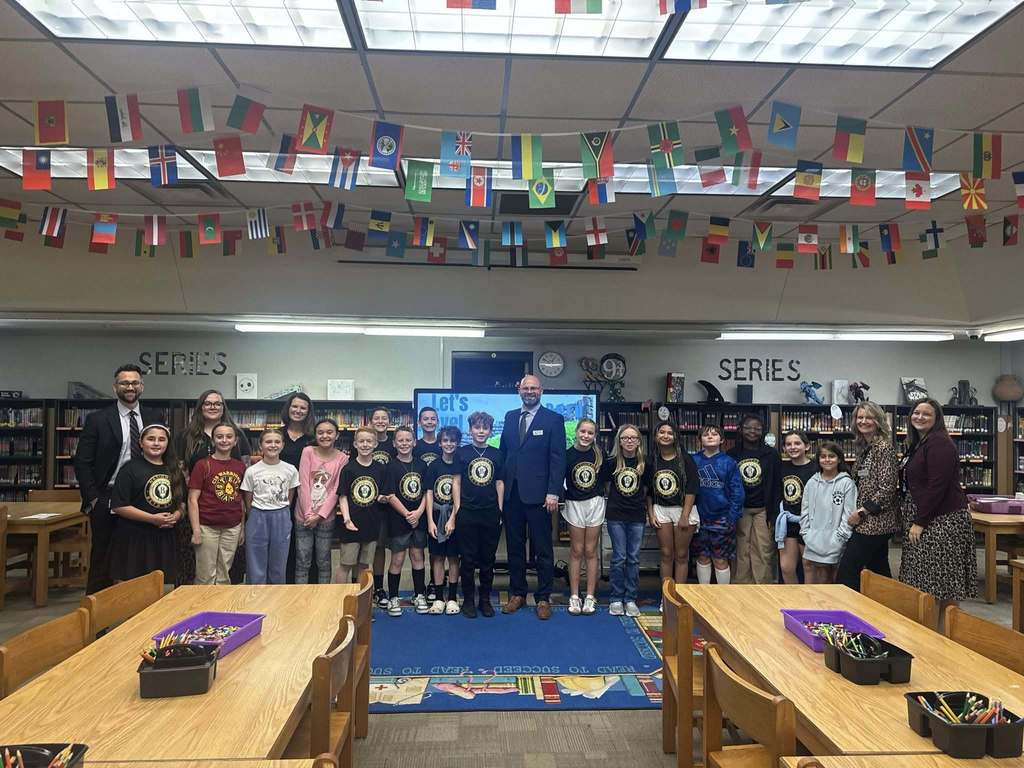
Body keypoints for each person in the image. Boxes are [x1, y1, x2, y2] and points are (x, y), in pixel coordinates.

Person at [74, 363, 161, 594]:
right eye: (124, 383)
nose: (130, 387)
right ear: (115, 387)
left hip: (144, 498)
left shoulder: (154, 416)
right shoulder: (98, 419)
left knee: (142, 559)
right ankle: (97, 624)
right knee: (102, 560)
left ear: (142, 386)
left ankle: (140, 613)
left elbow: (162, 454)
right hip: (107, 497)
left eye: (134, 382)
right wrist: (93, 499)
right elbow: (82, 462)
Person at [898, 398, 978, 610]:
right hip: (927, 516)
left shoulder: (939, 443)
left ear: (936, 419)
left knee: (941, 584)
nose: (920, 417)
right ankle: (931, 632)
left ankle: (944, 635)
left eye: (926, 414)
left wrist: (920, 521)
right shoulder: (919, 443)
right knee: (928, 583)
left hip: (942, 521)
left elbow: (938, 486)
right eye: (916, 413)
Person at [498, 375, 567, 621]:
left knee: (543, 549)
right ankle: (518, 593)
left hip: (540, 496)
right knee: (514, 547)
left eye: (534, 388)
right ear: (519, 390)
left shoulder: (553, 419)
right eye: (525, 388)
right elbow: (505, 454)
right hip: (512, 495)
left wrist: (553, 492)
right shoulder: (509, 417)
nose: (529, 391)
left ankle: (544, 597)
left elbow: (558, 459)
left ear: (541, 390)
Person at [176, 389, 252, 587]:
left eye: (217, 403)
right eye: (208, 403)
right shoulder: (187, 435)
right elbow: (180, 471)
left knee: (225, 567)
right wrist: (182, 503)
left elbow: (246, 476)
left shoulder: (238, 434)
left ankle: (222, 606)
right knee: (196, 564)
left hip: (229, 511)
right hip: (196, 508)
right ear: (200, 407)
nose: (213, 407)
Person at [836, 402, 900, 590]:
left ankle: (851, 612)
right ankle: (889, 610)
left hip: (875, 523)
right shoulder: (866, 447)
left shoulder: (883, 448)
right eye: (860, 417)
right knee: (878, 571)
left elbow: (887, 488)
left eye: (869, 417)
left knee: (847, 571)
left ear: (878, 421)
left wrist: (862, 512)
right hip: (870, 521)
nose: (863, 421)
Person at [109, 423, 182, 583]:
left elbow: (181, 502)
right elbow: (119, 505)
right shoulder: (129, 469)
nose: (156, 443)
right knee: (133, 587)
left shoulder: (173, 469)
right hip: (135, 537)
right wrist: (152, 519)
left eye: (162, 439)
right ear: (141, 443)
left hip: (164, 537)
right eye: (151, 439)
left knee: (163, 585)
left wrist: (176, 515)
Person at [456, 411, 504, 619]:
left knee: (488, 559)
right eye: (477, 427)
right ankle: (468, 600)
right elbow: (456, 481)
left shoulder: (497, 454)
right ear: (470, 430)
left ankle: (484, 600)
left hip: (490, 513)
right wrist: (457, 508)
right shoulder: (462, 453)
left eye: (485, 428)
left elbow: (499, 483)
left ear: (490, 431)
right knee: (467, 559)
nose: (481, 431)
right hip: (467, 512)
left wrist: (500, 509)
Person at [187, 423, 246, 585]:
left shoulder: (240, 467)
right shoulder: (202, 465)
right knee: (205, 574)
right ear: (213, 441)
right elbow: (192, 499)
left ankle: (220, 608)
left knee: (224, 574)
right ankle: (203, 607)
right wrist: (196, 529)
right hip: (207, 527)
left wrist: (242, 528)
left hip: (232, 528)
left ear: (235, 441)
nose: (224, 440)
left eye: (229, 437)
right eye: (219, 437)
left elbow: (240, 499)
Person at [728, 414, 782, 584]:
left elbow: (776, 485)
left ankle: (763, 588)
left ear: (763, 432)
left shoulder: (771, 454)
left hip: (763, 509)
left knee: (764, 550)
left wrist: (773, 514)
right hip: (740, 509)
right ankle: (741, 588)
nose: (753, 431)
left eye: (757, 428)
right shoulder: (732, 454)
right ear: (741, 430)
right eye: (748, 428)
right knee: (741, 550)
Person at [241, 429, 299, 584]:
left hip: (281, 515)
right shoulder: (252, 471)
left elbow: (290, 496)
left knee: (279, 561)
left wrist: (281, 510)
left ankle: (276, 599)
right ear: (261, 445)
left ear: (282, 445)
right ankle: (255, 596)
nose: (273, 445)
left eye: (277, 442)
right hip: (257, 515)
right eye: (268, 442)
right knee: (255, 560)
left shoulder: (290, 469)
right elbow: (248, 499)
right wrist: (254, 515)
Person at [605, 424, 651, 617]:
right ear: (619, 441)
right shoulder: (611, 462)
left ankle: (630, 599)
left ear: (639, 441)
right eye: (625, 438)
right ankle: (616, 598)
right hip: (616, 515)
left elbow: (647, 490)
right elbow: (608, 487)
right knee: (619, 558)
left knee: (633, 558)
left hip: (637, 516)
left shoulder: (645, 463)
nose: (629, 441)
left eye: (633, 438)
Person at [294, 419, 347, 584]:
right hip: (303, 516)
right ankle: (301, 598)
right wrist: (309, 513)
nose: (325, 436)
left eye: (329, 432)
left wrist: (320, 515)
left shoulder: (342, 458)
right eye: (320, 432)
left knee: (323, 561)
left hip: (326, 518)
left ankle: (324, 597)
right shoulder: (307, 452)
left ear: (337, 435)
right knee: (302, 560)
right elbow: (303, 484)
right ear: (315, 435)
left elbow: (335, 490)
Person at [650, 421, 699, 599]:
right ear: (656, 436)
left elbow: (692, 488)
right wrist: (650, 513)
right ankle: (667, 597)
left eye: (669, 433)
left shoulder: (686, 459)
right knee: (665, 554)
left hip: (683, 510)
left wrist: (685, 515)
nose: (665, 435)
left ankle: (679, 596)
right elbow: (647, 491)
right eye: (661, 432)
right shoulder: (652, 459)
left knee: (681, 555)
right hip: (661, 510)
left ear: (676, 436)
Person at [384, 425, 429, 616]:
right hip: (399, 519)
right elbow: (391, 495)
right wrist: (407, 515)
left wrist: (418, 513)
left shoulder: (421, 465)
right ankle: (393, 596)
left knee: (418, 556)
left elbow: (428, 492)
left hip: (419, 519)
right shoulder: (390, 466)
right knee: (398, 559)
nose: (404, 443)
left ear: (414, 442)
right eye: (400, 440)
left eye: (408, 440)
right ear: (394, 443)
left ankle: (419, 594)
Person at [562, 418, 605, 616]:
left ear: (594, 435)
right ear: (576, 432)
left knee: (590, 550)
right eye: (583, 432)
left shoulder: (599, 455)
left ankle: (589, 596)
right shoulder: (567, 455)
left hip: (595, 503)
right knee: (577, 550)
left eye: (590, 433)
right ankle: (574, 596)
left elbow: (606, 481)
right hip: (574, 504)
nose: (586, 436)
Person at [691, 425, 744, 585]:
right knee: (702, 556)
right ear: (699, 439)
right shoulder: (693, 460)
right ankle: (703, 593)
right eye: (706, 435)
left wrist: (731, 517)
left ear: (722, 440)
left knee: (720, 559)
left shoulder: (729, 462)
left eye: (714, 434)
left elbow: (737, 492)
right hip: (699, 518)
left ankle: (722, 596)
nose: (710, 437)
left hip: (722, 519)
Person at [337, 427, 388, 586]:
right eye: (361, 441)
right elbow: (343, 496)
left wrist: (382, 498)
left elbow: (381, 493)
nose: (365, 444)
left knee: (364, 565)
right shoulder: (348, 469)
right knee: (346, 564)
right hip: (351, 524)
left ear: (375, 444)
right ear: (355, 444)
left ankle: (359, 600)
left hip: (372, 524)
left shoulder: (381, 468)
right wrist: (346, 520)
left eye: (369, 441)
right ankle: (340, 599)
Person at [800, 441, 855, 584]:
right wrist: (806, 534)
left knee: (830, 579)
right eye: (823, 456)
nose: (827, 460)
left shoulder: (846, 483)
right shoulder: (812, 483)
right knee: (811, 578)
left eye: (832, 456)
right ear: (818, 459)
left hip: (835, 541)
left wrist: (839, 539)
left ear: (839, 459)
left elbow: (848, 514)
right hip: (812, 540)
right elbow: (804, 511)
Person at [426, 426, 463, 615]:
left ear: (457, 443)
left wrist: (453, 518)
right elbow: (429, 493)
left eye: (452, 441)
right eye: (445, 441)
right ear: (440, 443)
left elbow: (461, 495)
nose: (449, 444)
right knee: (438, 557)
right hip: (437, 517)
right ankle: (439, 598)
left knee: (454, 558)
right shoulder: (434, 466)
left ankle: (453, 598)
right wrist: (430, 521)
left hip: (455, 517)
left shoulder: (461, 464)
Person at [279, 392, 315, 584]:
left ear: (308, 412)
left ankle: (310, 587)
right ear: (288, 408)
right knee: (286, 543)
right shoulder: (278, 435)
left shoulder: (313, 438)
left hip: (308, 498)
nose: (298, 411)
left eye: (303, 408)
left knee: (308, 547)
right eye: (295, 406)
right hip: (281, 498)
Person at [775, 430, 817, 584]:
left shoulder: (816, 468)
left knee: (808, 566)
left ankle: (809, 602)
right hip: (788, 523)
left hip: (809, 524)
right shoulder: (782, 467)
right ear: (784, 448)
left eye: (797, 443)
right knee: (786, 567)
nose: (793, 447)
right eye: (788, 444)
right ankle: (793, 599)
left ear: (807, 446)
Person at [369, 407, 395, 608]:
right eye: (376, 418)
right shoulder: (365, 441)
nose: (380, 421)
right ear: (371, 421)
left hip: (391, 502)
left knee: (383, 548)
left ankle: (380, 588)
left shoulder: (394, 443)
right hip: (369, 503)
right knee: (369, 548)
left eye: (384, 418)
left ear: (389, 421)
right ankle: (364, 588)